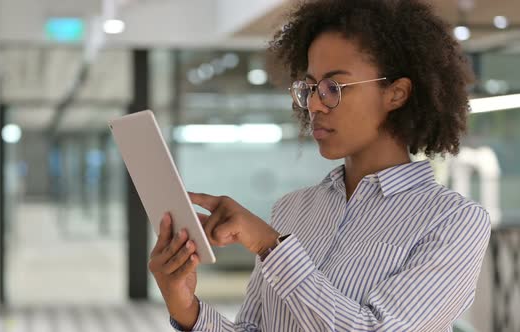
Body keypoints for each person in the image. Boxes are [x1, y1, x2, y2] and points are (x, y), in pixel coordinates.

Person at [148, 0, 492, 331]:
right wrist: (186, 308)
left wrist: (271, 246)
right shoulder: (292, 210)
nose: (314, 103)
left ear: (396, 93)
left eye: (333, 87)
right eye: (310, 87)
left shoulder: (454, 221)